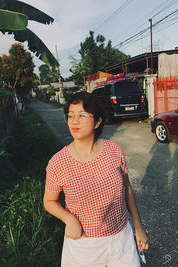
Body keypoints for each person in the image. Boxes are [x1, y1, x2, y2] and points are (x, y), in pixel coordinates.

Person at [43, 91, 149, 267]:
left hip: (121, 237)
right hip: (84, 245)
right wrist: (68, 219)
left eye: (82, 115)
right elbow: (49, 201)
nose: (74, 121)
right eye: (70, 115)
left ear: (98, 121)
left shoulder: (114, 150)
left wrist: (138, 227)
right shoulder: (58, 162)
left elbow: (127, 189)